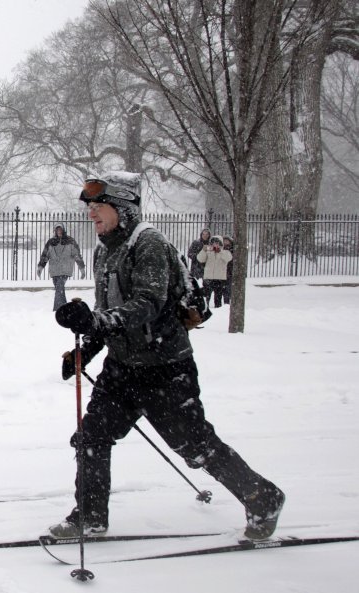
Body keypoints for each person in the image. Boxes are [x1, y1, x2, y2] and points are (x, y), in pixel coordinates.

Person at [50, 173, 284, 541]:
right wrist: (85, 351)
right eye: (90, 209)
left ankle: (263, 496)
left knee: (195, 446)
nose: (92, 215)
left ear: (123, 209)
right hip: (123, 368)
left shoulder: (149, 244)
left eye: (99, 208)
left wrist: (95, 320)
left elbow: (147, 304)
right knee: (91, 436)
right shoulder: (104, 250)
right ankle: (89, 516)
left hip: (165, 369)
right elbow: (108, 310)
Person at [37, 225, 87, 311]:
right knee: (59, 289)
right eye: (57, 230)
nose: (59, 231)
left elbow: (77, 255)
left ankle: (58, 309)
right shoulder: (51, 242)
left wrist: (81, 268)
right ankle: (64, 308)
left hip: (65, 269)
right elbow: (45, 255)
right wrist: (40, 267)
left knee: (59, 287)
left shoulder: (70, 241)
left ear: (64, 230)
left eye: (60, 229)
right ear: (55, 231)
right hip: (54, 270)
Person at [197, 235, 232, 308]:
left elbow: (228, 258)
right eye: (213, 243)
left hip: (219, 279)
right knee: (206, 296)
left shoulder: (225, 252)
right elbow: (200, 259)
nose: (215, 245)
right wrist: (203, 250)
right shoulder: (208, 252)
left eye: (217, 243)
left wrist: (220, 251)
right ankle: (205, 308)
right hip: (208, 277)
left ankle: (218, 309)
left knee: (218, 297)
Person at [222, 236, 235, 305]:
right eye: (224, 241)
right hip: (222, 271)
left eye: (227, 241)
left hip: (229, 271)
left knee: (228, 288)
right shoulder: (220, 249)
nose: (226, 242)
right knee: (222, 289)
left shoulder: (233, 249)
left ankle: (226, 302)